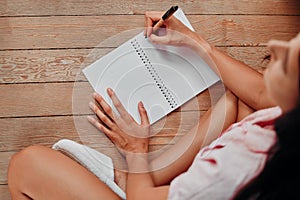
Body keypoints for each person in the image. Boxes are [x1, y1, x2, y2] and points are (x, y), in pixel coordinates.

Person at [7, 10, 299, 200]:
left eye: (289, 61)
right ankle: (136, 178)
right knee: (243, 98)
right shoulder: (285, 120)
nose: (275, 46)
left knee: (27, 165)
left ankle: (136, 179)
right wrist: (197, 43)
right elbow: (261, 93)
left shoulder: (234, 173)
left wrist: (136, 151)